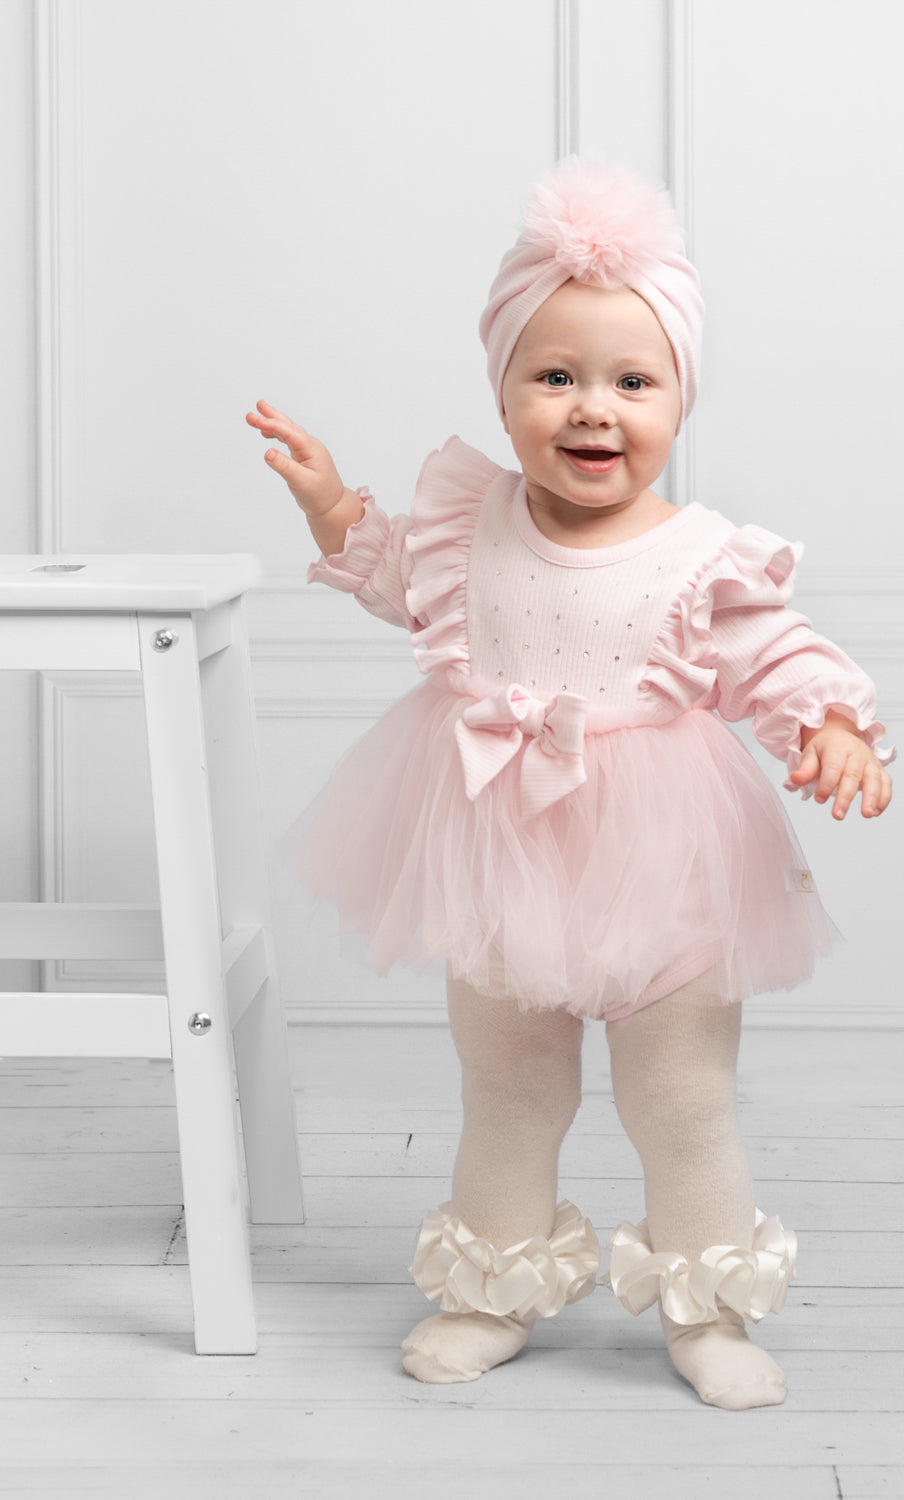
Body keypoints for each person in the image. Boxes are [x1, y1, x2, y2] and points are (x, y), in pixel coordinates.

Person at [246, 158, 894, 1410]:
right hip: (498, 848)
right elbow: (395, 580)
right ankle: (490, 1290)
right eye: (554, 377)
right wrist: (330, 504)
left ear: (678, 399)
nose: (593, 408)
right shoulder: (470, 522)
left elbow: (777, 654)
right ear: (502, 394)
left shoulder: (701, 557)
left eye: (632, 382)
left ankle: (707, 1309)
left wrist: (832, 726)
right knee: (507, 1085)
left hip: (669, 858)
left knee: (681, 1097)